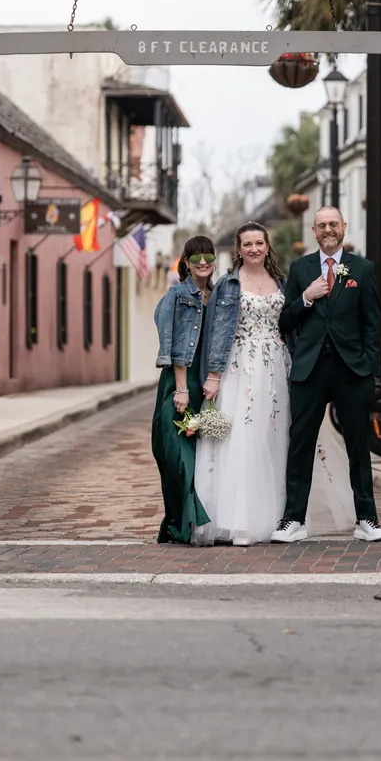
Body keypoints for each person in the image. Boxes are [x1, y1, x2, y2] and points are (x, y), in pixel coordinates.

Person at [194, 221, 354, 546]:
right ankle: (239, 521)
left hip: (280, 367)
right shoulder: (228, 284)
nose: (254, 249)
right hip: (240, 368)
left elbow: (293, 321)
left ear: (267, 246)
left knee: (278, 439)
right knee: (241, 440)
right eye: (247, 244)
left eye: (259, 243)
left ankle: (282, 518)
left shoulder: (282, 281)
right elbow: (217, 331)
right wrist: (213, 376)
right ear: (238, 250)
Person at [271, 205, 381, 544]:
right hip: (309, 369)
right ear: (314, 230)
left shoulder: (363, 270)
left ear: (344, 228)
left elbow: (372, 324)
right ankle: (293, 520)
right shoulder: (300, 268)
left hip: (351, 370)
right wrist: (306, 298)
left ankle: (367, 518)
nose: (327, 230)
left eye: (333, 224)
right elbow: (285, 322)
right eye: (321, 225)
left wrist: (369, 368)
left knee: (357, 445)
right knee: (301, 445)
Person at [151, 236, 216, 544]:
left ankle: (191, 524)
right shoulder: (177, 295)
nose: (203, 262)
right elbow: (171, 342)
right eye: (196, 257)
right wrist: (180, 389)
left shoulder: (218, 296)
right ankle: (178, 522)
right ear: (186, 262)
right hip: (179, 384)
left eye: (208, 256)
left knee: (201, 457)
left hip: (206, 384)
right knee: (175, 456)